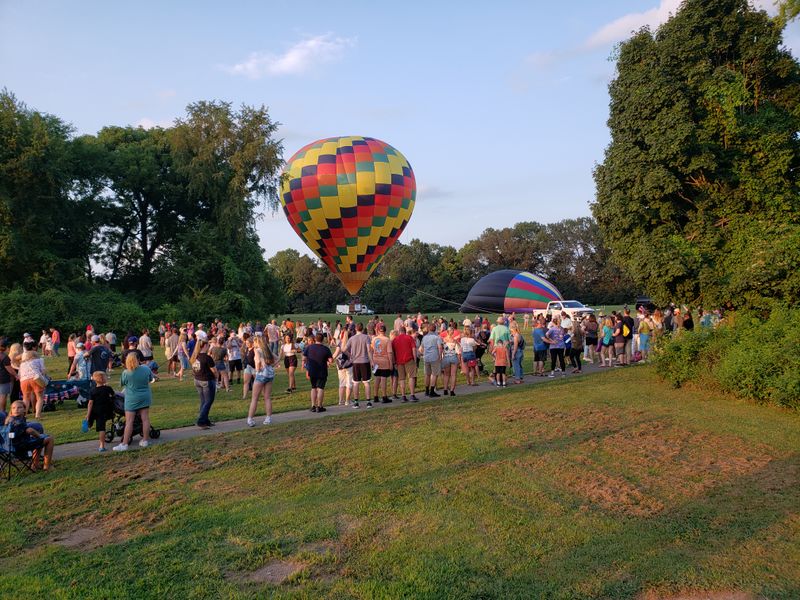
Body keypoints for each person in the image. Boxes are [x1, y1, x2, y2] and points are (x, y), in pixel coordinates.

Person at [113, 353, 154, 451]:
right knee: (145, 419)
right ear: (139, 359)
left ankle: (124, 443)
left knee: (129, 421)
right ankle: (145, 440)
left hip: (132, 398)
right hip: (145, 396)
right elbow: (150, 379)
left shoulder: (126, 372)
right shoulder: (146, 368)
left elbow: (122, 383)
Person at [5, 400, 54, 470]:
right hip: (20, 447)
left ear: (24, 410)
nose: (16, 409)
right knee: (49, 439)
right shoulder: (17, 421)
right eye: (14, 408)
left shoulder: (8, 419)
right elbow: (29, 430)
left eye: (19, 407)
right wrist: (39, 435)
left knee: (38, 441)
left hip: (9, 448)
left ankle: (35, 465)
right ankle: (47, 466)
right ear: (11, 410)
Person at [247, 337, 276, 425]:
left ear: (256, 343)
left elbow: (258, 363)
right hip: (269, 375)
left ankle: (250, 419)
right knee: (267, 397)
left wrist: (257, 369)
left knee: (255, 398)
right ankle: (268, 418)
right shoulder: (267, 350)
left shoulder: (257, 350)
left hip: (261, 375)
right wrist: (270, 366)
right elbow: (277, 359)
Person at [190, 339, 217, 429]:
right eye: (208, 345)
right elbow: (214, 370)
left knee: (203, 401)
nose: (209, 346)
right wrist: (216, 377)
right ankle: (201, 421)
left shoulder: (195, 356)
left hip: (197, 380)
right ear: (205, 346)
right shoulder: (207, 358)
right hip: (207, 380)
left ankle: (205, 420)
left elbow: (194, 369)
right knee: (209, 401)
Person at [85, 371, 115, 452]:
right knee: (102, 428)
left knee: (101, 426)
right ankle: (101, 446)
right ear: (103, 379)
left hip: (96, 411)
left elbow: (90, 403)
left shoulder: (92, 391)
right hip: (106, 410)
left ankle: (101, 445)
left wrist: (88, 414)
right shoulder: (108, 389)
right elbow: (114, 396)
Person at [303, 334, 333, 413]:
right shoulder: (326, 349)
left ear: (315, 339)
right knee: (320, 388)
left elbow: (304, 358)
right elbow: (330, 360)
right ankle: (319, 406)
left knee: (313, 388)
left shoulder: (309, 347)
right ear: (323, 340)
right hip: (322, 371)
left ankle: (313, 406)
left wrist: (306, 366)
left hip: (312, 370)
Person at [345, 322, 372, 408]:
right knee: (366, 382)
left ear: (356, 329)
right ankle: (368, 402)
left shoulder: (352, 338)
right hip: (365, 362)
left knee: (356, 383)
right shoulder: (366, 337)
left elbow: (344, 349)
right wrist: (372, 361)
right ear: (363, 328)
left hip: (356, 362)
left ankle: (356, 402)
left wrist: (350, 356)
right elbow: (369, 350)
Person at [391, 326, 419, 402]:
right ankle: (412, 395)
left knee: (402, 379)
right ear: (405, 331)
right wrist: (415, 360)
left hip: (399, 361)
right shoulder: (409, 338)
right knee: (411, 377)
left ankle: (403, 396)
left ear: (399, 331)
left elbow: (392, 353)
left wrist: (394, 362)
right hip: (409, 359)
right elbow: (414, 349)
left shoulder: (394, 340)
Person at [19, 349, 47, 418]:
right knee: (39, 397)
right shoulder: (39, 360)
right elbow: (43, 371)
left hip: (24, 380)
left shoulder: (22, 364)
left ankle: (24, 415)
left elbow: (19, 374)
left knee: (25, 398)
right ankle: (37, 414)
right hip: (35, 378)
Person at [370, 324, 393, 404]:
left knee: (377, 378)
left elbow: (371, 350)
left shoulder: (374, 339)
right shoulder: (387, 340)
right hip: (384, 361)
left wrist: (372, 361)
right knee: (383, 379)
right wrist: (391, 363)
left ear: (378, 331)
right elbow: (389, 353)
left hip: (376, 361)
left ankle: (375, 396)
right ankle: (384, 396)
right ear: (385, 331)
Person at [419, 323, 443, 398]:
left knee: (427, 374)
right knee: (434, 374)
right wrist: (440, 356)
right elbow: (439, 347)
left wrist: (424, 354)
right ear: (435, 329)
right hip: (434, 357)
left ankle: (426, 391)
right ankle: (432, 391)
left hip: (426, 357)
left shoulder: (424, 337)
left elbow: (421, 348)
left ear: (429, 329)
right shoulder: (437, 337)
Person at [441, 327, 461, 396]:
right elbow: (458, 352)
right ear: (452, 333)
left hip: (446, 357)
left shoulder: (443, 340)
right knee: (453, 375)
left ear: (447, 332)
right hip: (453, 357)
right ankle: (452, 391)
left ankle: (445, 389)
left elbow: (441, 350)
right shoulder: (454, 341)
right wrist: (459, 361)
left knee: (446, 375)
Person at [0, 340, 17, 412]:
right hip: (3, 378)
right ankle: (2, 411)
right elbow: (9, 368)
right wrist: (16, 375)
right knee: (3, 395)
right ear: (6, 347)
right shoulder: (4, 357)